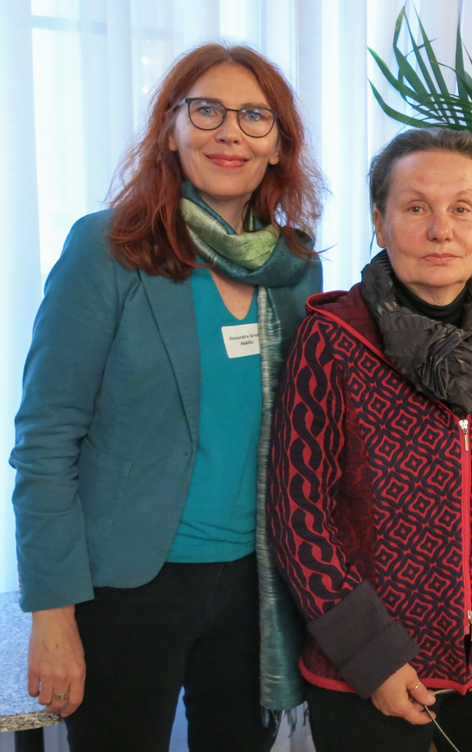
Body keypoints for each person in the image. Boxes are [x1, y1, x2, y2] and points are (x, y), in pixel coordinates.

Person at [10, 43, 323, 750]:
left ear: (278, 146)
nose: (230, 132)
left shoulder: (294, 269)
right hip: (125, 589)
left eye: (254, 116)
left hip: (257, 585)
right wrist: (51, 610)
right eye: (206, 110)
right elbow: (46, 438)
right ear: (171, 130)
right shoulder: (108, 248)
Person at [267, 127, 472, 752]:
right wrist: (372, 657)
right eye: (415, 208)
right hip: (367, 675)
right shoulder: (331, 340)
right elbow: (299, 514)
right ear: (379, 223)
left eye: (461, 208)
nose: (441, 230)